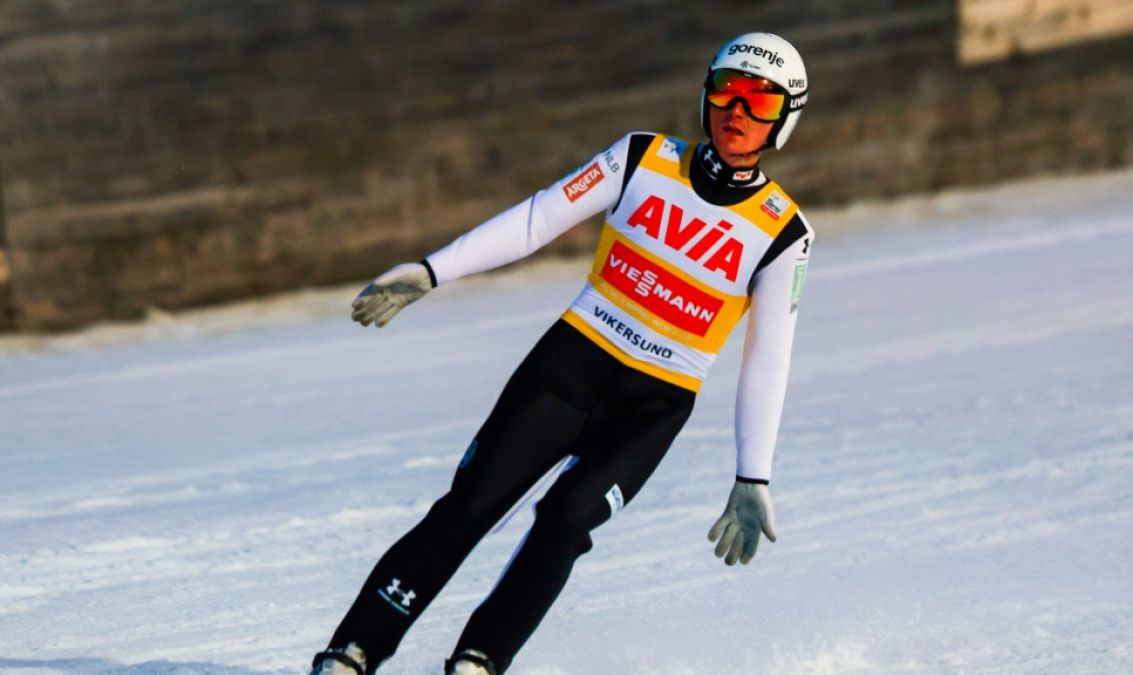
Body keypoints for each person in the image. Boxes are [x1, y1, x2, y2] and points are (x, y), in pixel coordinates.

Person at [310, 31, 814, 675]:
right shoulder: (641, 157)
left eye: (759, 102)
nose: (737, 111)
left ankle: (478, 663)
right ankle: (351, 653)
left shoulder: (784, 232)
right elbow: (535, 221)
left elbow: (768, 360)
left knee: (564, 524)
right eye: (726, 91)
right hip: (569, 366)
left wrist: (754, 473)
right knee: (471, 505)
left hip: (652, 407)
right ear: (705, 93)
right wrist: (435, 270)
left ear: (784, 120)